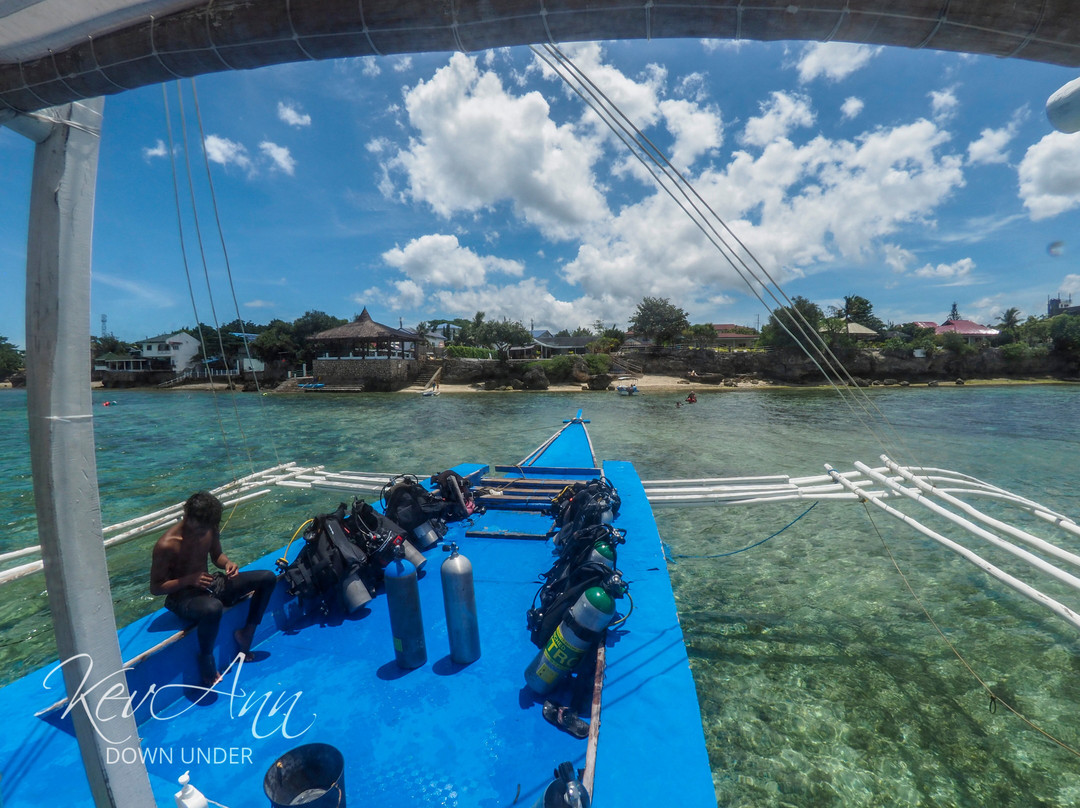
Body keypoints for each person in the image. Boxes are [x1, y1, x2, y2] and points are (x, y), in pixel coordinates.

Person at [150, 491, 277, 685]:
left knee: (267, 578)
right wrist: (189, 580)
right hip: (183, 598)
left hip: (209, 585)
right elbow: (156, 587)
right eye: (201, 528)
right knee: (213, 608)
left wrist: (227, 563)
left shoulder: (209, 527)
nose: (205, 532)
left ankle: (246, 634)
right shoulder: (166, 545)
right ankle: (206, 659)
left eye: (209, 528)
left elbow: (216, 555)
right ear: (187, 516)